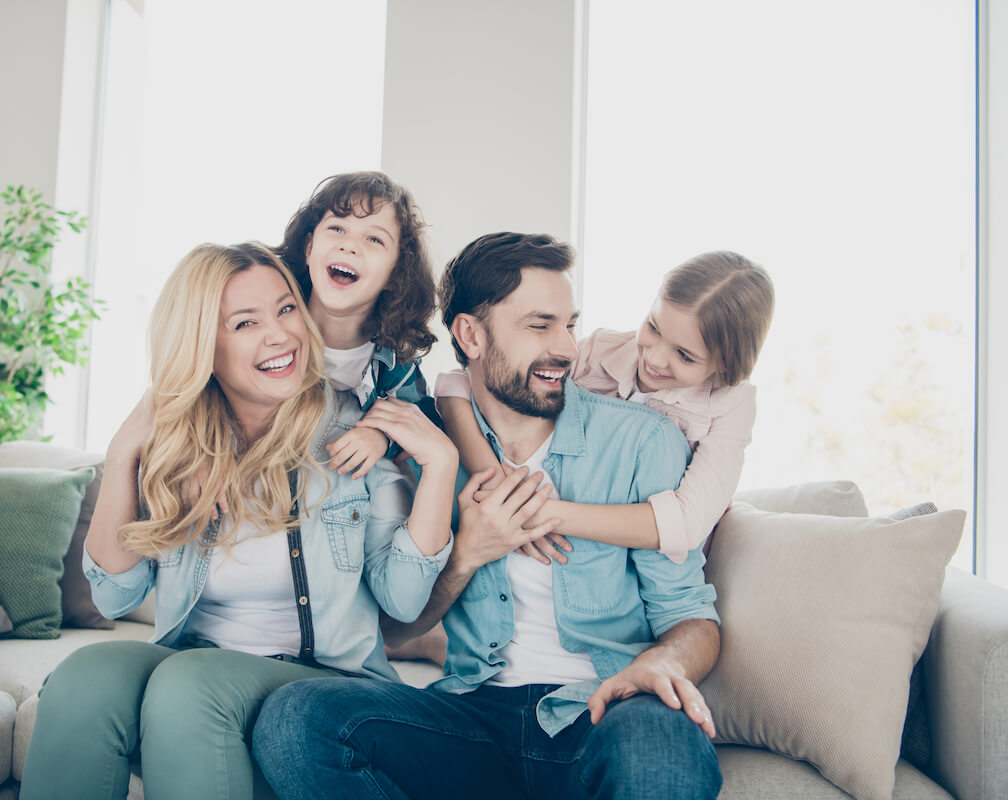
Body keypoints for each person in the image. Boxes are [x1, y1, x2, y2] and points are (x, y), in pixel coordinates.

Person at [251, 232, 723, 800]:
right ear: (470, 335)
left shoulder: (643, 441)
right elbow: (396, 627)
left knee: (662, 749)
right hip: (471, 716)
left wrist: (664, 664)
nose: (568, 349)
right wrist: (467, 552)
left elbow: (692, 616)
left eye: (570, 325)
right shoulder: (425, 447)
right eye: (539, 326)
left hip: (603, 708)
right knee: (296, 718)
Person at [19, 243, 458, 800]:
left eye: (287, 309)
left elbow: (403, 600)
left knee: (190, 682)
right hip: (195, 665)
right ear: (205, 345)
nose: (279, 334)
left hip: (325, 679)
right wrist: (124, 449)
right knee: (83, 677)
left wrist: (439, 468)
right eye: (245, 323)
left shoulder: (352, 432)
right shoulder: (182, 449)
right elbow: (114, 596)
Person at [436, 249, 775, 565]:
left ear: (726, 365)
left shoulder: (732, 405)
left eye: (684, 355)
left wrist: (532, 512)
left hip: (658, 558)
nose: (654, 358)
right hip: (586, 548)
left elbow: (685, 525)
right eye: (653, 328)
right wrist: (494, 480)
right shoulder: (604, 350)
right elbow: (460, 381)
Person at [278, 170, 441, 479]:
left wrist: (383, 436)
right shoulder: (271, 335)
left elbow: (427, 420)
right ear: (309, 248)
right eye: (337, 228)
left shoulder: (395, 366)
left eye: (374, 239)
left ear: (396, 274)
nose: (350, 246)